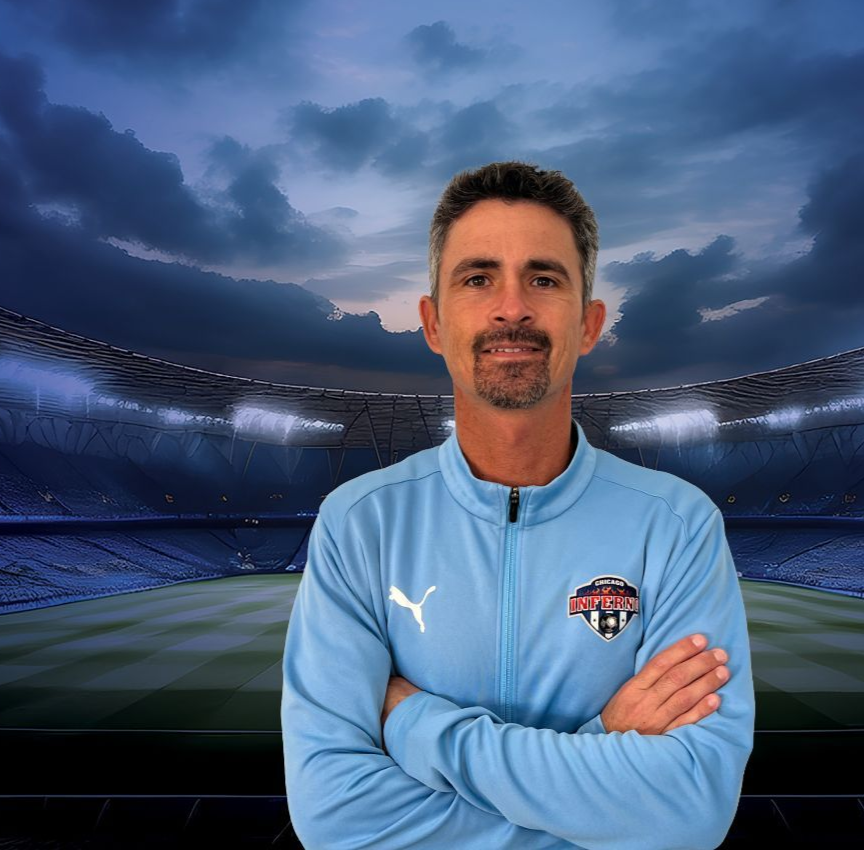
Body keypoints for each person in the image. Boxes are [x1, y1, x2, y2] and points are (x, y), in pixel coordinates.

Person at [281, 161, 755, 849]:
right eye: (478, 278)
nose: (512, 308)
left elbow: (692, 811)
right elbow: (334, 818)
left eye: (544, 278)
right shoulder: (360, 524)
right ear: (433, 322)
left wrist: (414, 726)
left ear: (589, 323)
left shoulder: (677, 527)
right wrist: (604, 753)